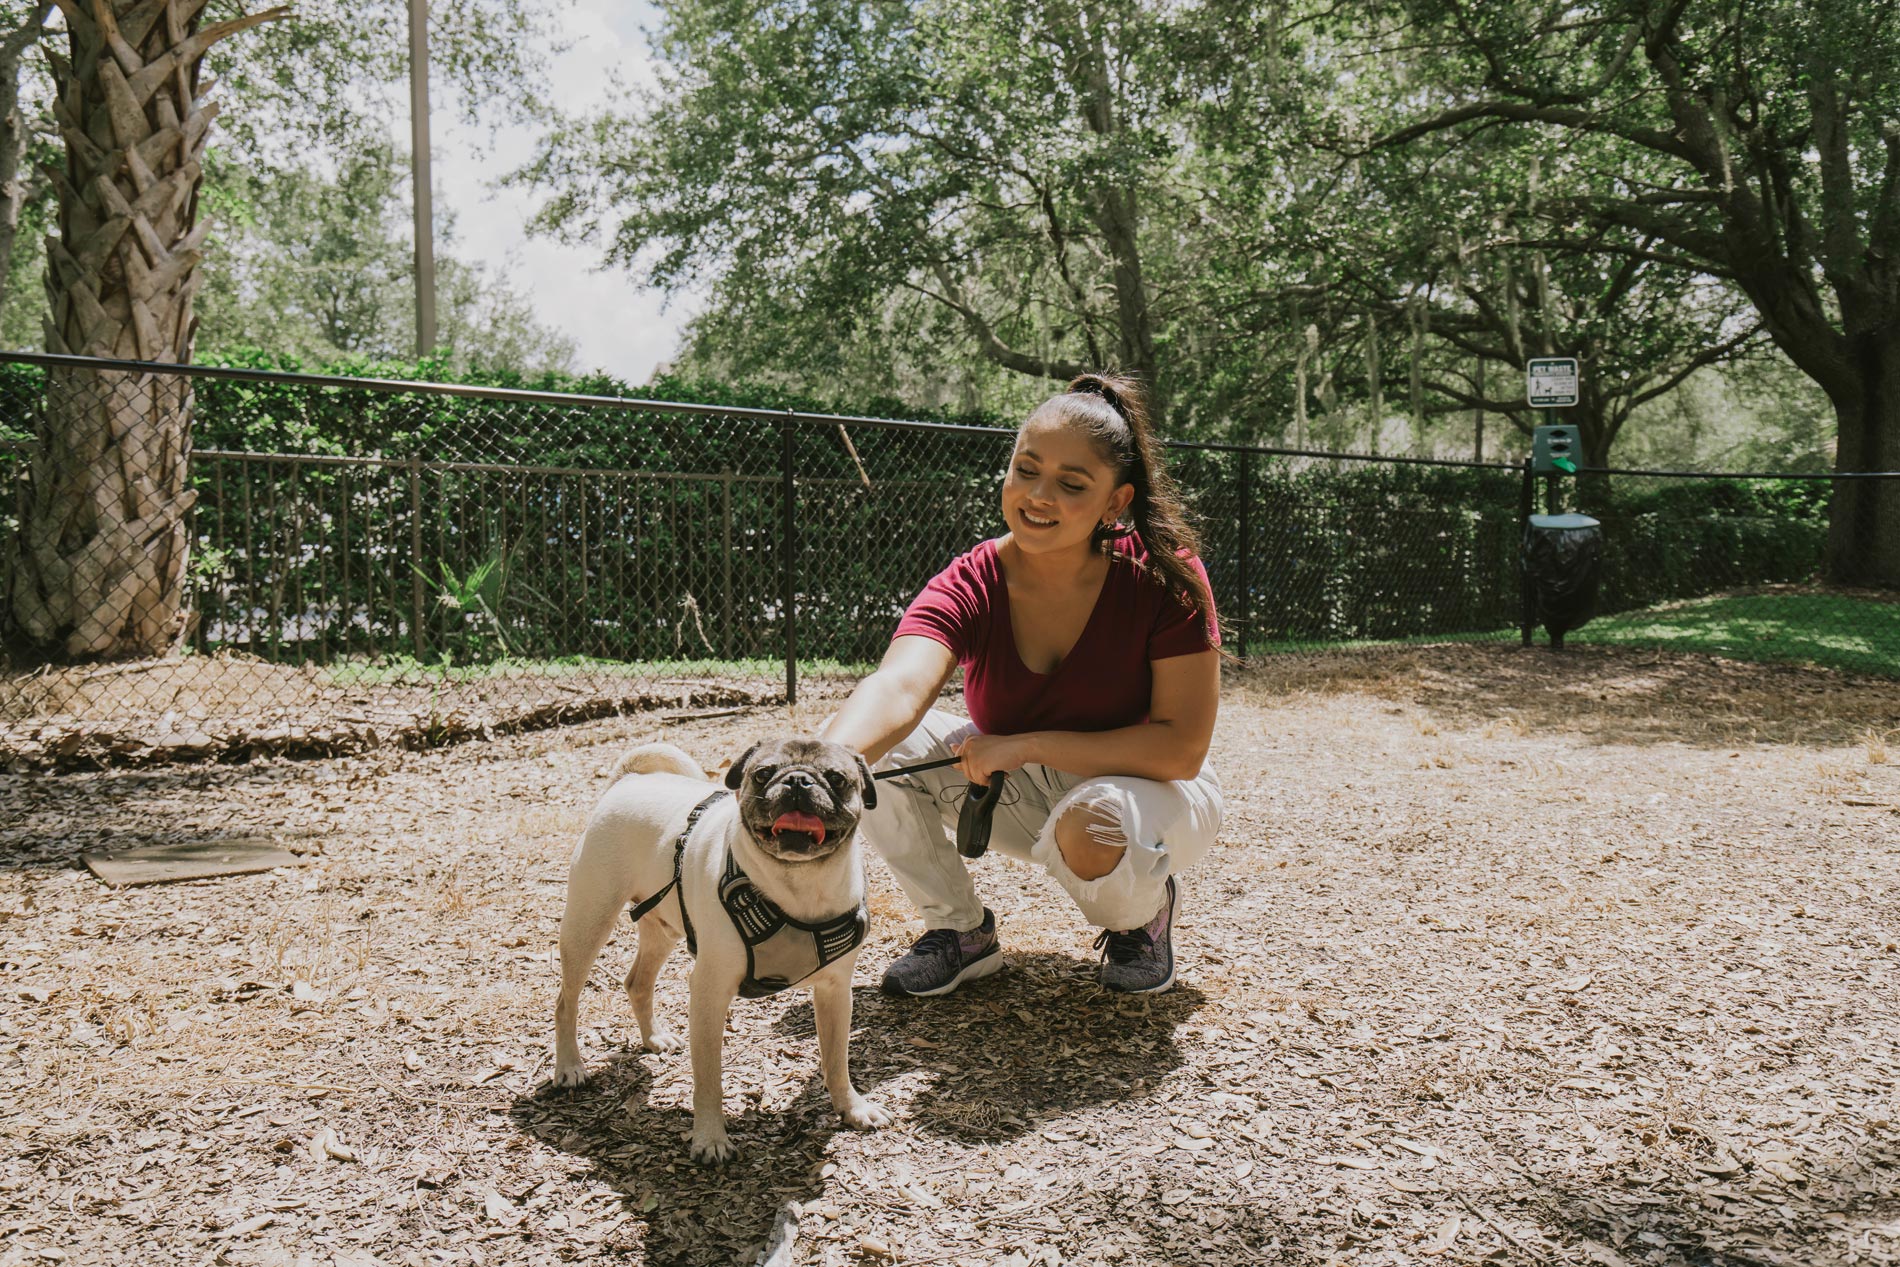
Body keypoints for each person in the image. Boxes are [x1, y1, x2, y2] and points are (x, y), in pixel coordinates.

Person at [820, 372, 1223, 997]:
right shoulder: (975, 578)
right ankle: (960, 933)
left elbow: (1180, 749)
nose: (1038, 495)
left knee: (1096, 824)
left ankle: (1141, 917)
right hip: (1028, 785)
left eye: (1071, 484)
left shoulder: (1163, 574)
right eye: (1026, 470)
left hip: (1152, 793)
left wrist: (1027, 743)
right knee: (861, 750)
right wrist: (818, 767)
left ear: (1115, 502)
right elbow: (900, 686)